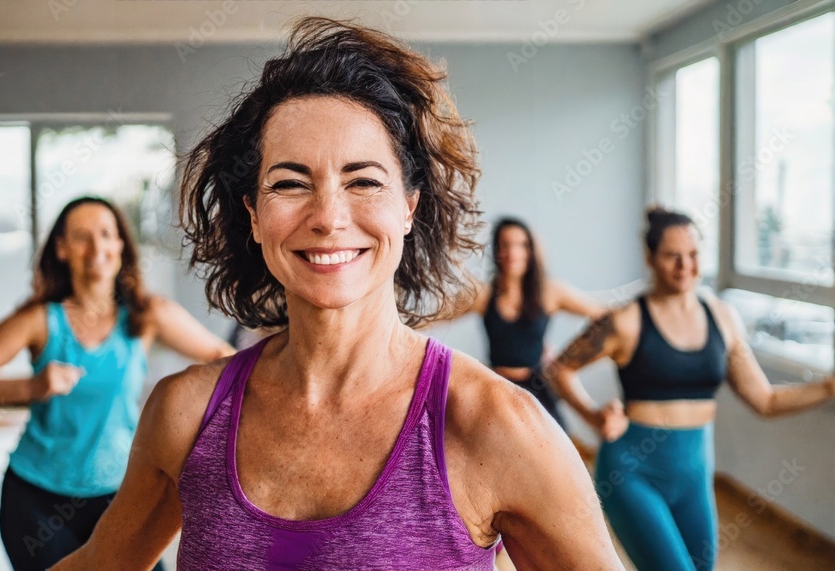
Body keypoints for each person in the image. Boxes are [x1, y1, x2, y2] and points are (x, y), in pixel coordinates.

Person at [54, 18, 622, 571]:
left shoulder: (498, 426)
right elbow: (103, 562)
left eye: (364, 181)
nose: (327, 218)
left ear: (408, 207)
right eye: (290, 183)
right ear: (253, 216)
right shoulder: (184, 414)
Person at [0, 196, 234, 571]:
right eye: (82, 237)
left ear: (121, 246)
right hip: (37, 503)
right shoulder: (40, 320)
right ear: (61, 249)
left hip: (123, 497)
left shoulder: (147, 315)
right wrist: (31, 387)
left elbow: (224, 361)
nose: (97, 248)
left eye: (106, 234)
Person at [546, 206, 835, 571]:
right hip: (632, 472)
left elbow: (765, 400)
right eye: (672, 256)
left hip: (694, 474)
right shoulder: (625, 321)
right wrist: (593, 416)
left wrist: (828, 387)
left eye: (694, 255)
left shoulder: (723, 318)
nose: (686, 266)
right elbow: (560, 368)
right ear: (650, 259)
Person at [460, 217, 605, 428]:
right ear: (496, 251)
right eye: (505, 245)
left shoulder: (550, 293)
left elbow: (605, 318)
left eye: (522, 245)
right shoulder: (483, 295)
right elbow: (430, 319)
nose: (513, 253)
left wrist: (570, 358)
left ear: (531, 251)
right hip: (495, 389)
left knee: (556, 448)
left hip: (537, 390)